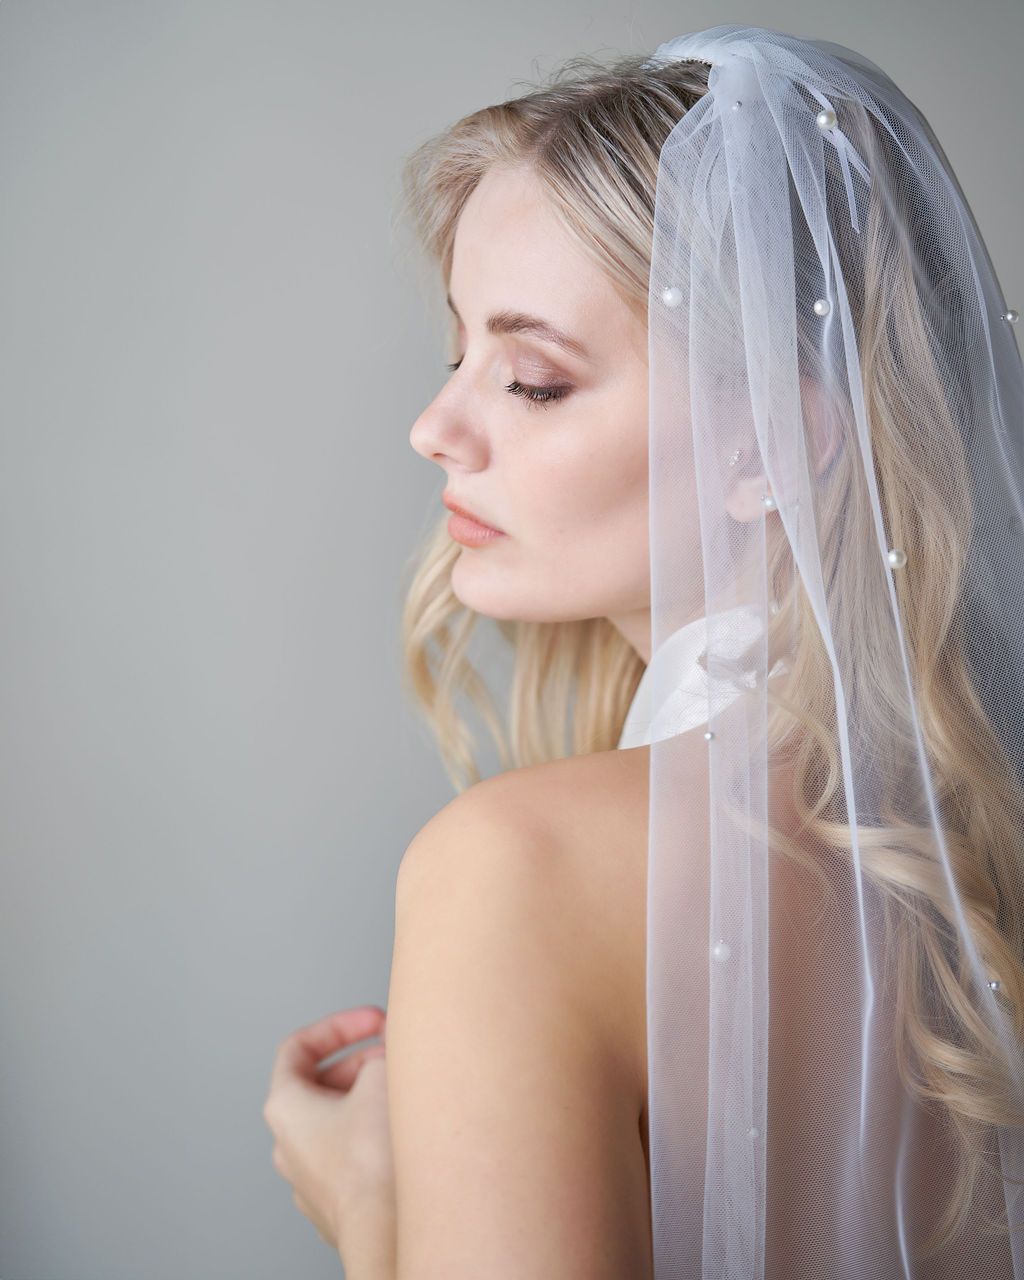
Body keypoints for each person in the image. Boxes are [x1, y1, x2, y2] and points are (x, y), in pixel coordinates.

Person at [265, 27, 1024, 1277]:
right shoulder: (969, 836)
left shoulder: (512, 870)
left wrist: (373, 1211)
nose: (432, 426)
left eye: (534, 379)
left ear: (765, 443)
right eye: (459, 353)